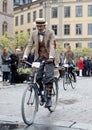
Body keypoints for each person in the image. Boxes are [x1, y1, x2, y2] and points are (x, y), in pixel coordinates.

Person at [23, 18, 59, 107]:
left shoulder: (50, 32)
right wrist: (25, 56)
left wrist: (51, 57)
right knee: (36, 76)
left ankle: (49, 99)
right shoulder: (33, 33)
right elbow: (29, 45)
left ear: (44, 25)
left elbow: (52, 45)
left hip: (49, 57)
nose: (39, 27)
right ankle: (42, 92)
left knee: (49, 77)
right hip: (38, 57)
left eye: (41, 26)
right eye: (38, 26)